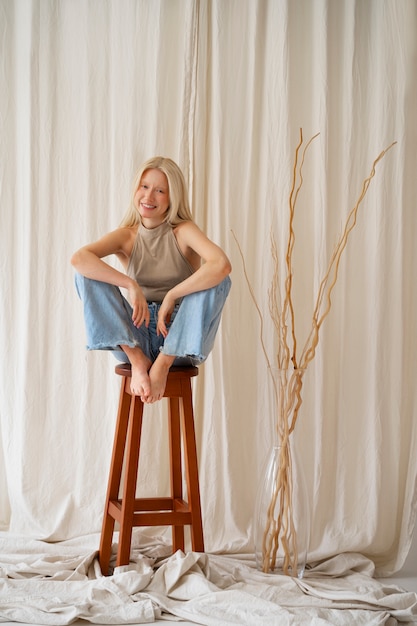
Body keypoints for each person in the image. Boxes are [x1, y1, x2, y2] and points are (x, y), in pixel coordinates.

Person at [71, 156, 231, 404]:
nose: (149, 197)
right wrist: (129, 284)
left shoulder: (183, 231)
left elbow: (222, 265)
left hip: (181, 336)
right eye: (144, 187)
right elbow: (79, 258)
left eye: (159, 191)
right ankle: (138, 361)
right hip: (135, 336)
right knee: (86, 273)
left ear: (171, 197)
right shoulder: (127, 236)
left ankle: (163, 364)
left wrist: (172, 295)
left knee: (219, 280)